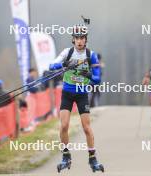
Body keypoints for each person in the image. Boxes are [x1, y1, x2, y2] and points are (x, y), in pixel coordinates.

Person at [49, 24, 104, 172]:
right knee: (64, 125)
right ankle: (66, 156)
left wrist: (89, 75)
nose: (79, 41)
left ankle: (93, 158)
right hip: (67, 93)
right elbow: (51, 65)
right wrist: (64, 64)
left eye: (82, 38)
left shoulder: (90, 55)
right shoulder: (67, 52)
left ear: (86, 40)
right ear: (73, 39)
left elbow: (98, 79)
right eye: (77, 38)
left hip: (82, 94)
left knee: (86, 127)